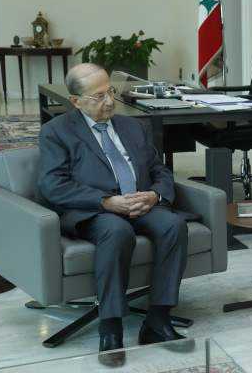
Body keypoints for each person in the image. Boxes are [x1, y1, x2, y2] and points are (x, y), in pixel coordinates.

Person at [37, 64, 192, 357]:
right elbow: (53, 185)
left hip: (140, 202)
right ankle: (110, 327)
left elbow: (159, 170)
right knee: (117, 231)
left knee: (173, 225)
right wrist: (105, 202)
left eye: (110, 91)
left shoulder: (133, 126)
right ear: (76, 101)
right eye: (99, 96)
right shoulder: (56, 132)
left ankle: (158, 320)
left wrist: (154, 195)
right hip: (95, 210)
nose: (109, 101)